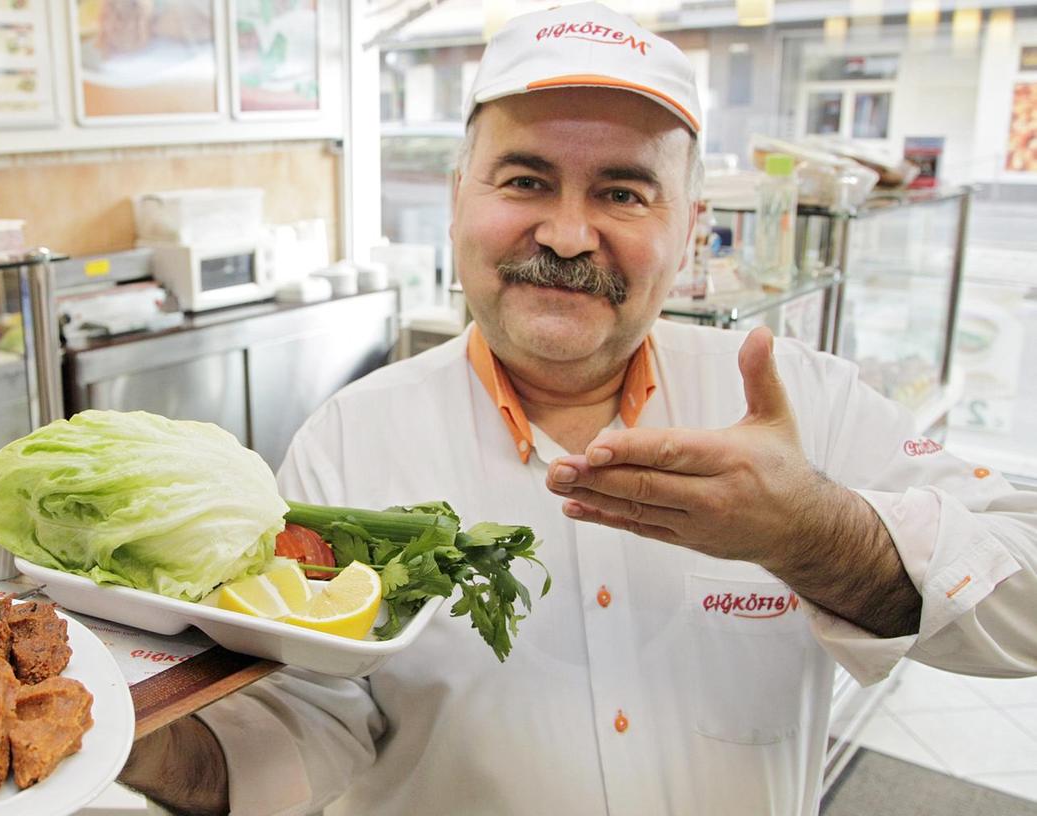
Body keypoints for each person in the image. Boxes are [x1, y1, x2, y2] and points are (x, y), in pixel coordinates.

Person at [118, 3, 1037, 814]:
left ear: (689, 230)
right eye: (523, 181)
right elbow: (312, 727)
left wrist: (817, 536)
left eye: (623, 192)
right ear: (456, 202)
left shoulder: (804, 403)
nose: (564, 234)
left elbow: (1024, 601)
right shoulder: (351, 440)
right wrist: (124, 726)